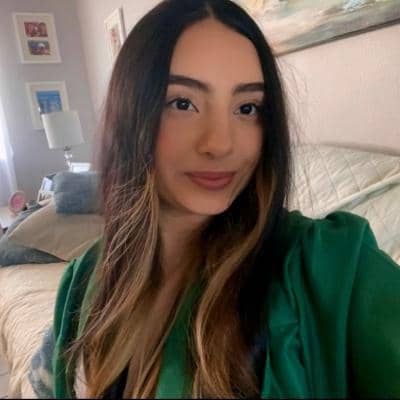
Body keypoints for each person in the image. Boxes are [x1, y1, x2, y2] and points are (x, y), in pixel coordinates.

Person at [28, 0, 400, 398]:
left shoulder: (332, 265)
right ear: (130, 113)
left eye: (247, 108)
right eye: (183, 103)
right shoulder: (84, 279)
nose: (221, 144)